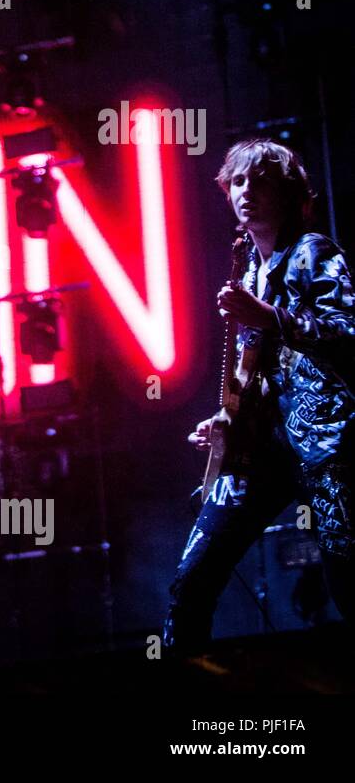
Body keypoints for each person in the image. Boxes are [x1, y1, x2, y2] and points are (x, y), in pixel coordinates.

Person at [164, 139, 354, 650]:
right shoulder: (247, 268)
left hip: (328, 448)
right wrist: (226, 418)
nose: (246, 191)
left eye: (259, 180)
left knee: (351, 583)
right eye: (238, 182)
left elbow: (348, 334)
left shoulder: (315, 252)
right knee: (192, 580)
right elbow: (262, 371)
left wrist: (270, 317)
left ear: (287, 191)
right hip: (262, 451)